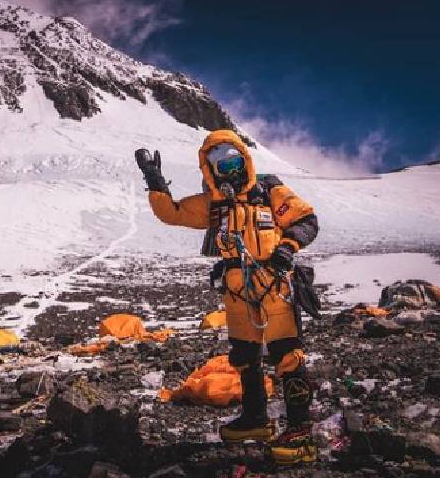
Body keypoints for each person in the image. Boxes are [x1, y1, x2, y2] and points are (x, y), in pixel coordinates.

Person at [135, 129, 320, 465]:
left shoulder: (269, 190)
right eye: (218, 161)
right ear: (209, 168)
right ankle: (256, 419)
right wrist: (155, 183)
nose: (228, 167)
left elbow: (306, 219)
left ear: (244, 159)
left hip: (275, 285)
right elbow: (172, 213)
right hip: (236, 293)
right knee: (245, 356)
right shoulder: (212, 204)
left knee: (287, 355)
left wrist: (287, 247)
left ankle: (300, 432)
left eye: (232, 158)